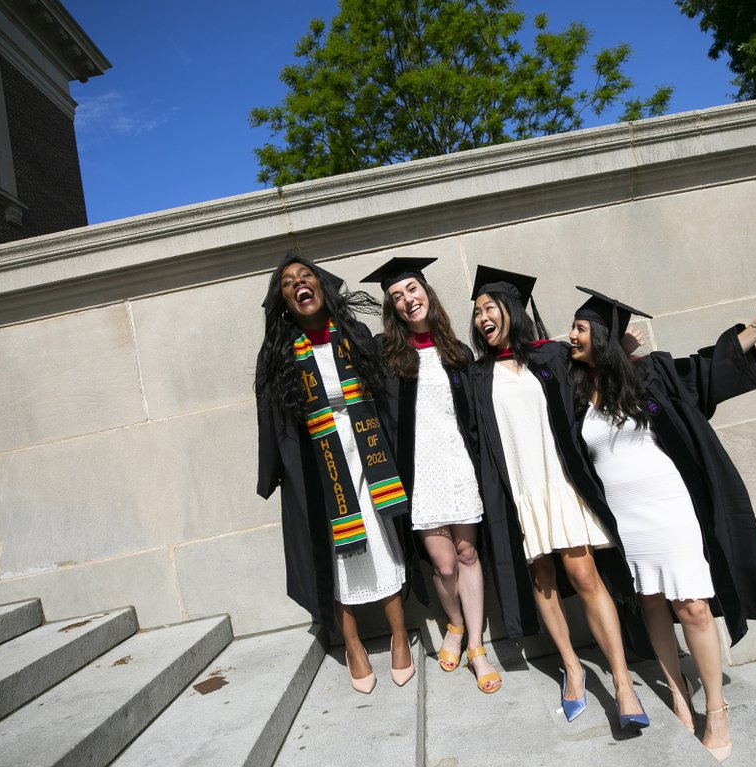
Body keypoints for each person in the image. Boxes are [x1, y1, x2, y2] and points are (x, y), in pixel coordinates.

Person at [566, 282, 756, 761]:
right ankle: (677, 690)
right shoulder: (574, 392)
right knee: (651, 604)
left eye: (580, 327)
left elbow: (710, 368)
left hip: (669, 510)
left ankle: (717, 708)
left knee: (691, 607)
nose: (571, 335)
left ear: (603, 338)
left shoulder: (650, 377)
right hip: (626, 520)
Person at [469, 265, 649, 728]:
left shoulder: (550, 356)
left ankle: (624, 685)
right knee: (542, 580)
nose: (482, 318)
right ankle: (572, 668)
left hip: (560, 484)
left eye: (490, 308)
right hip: (519, 492)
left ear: (511, 310)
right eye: (476, 313)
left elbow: (598, 368)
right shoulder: (475, 376)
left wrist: (625, 351)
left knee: (585, 575)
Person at [256, 253, 427, 694]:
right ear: (285, 300)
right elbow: (272, 420)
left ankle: (398, 635)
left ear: (321, 287)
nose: (298, 284)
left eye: (306, 276)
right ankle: (351, 644)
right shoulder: (278, 355)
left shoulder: (355, 335)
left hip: (368, 452)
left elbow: (387, 394)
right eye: (289, 282)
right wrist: (277, 474)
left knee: (381, 537)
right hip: (321, 462)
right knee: (336, 553)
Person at [362, 256, 501, 694]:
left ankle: (476, 647)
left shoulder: (456, 351)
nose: (407, 299)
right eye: (397, 296)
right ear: (392, 308)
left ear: (427, 293)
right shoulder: (386, 354)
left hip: (459, 463)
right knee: (442, 565)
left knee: (467, 556)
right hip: (419, 472)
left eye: (413, 289)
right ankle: (454, 624)